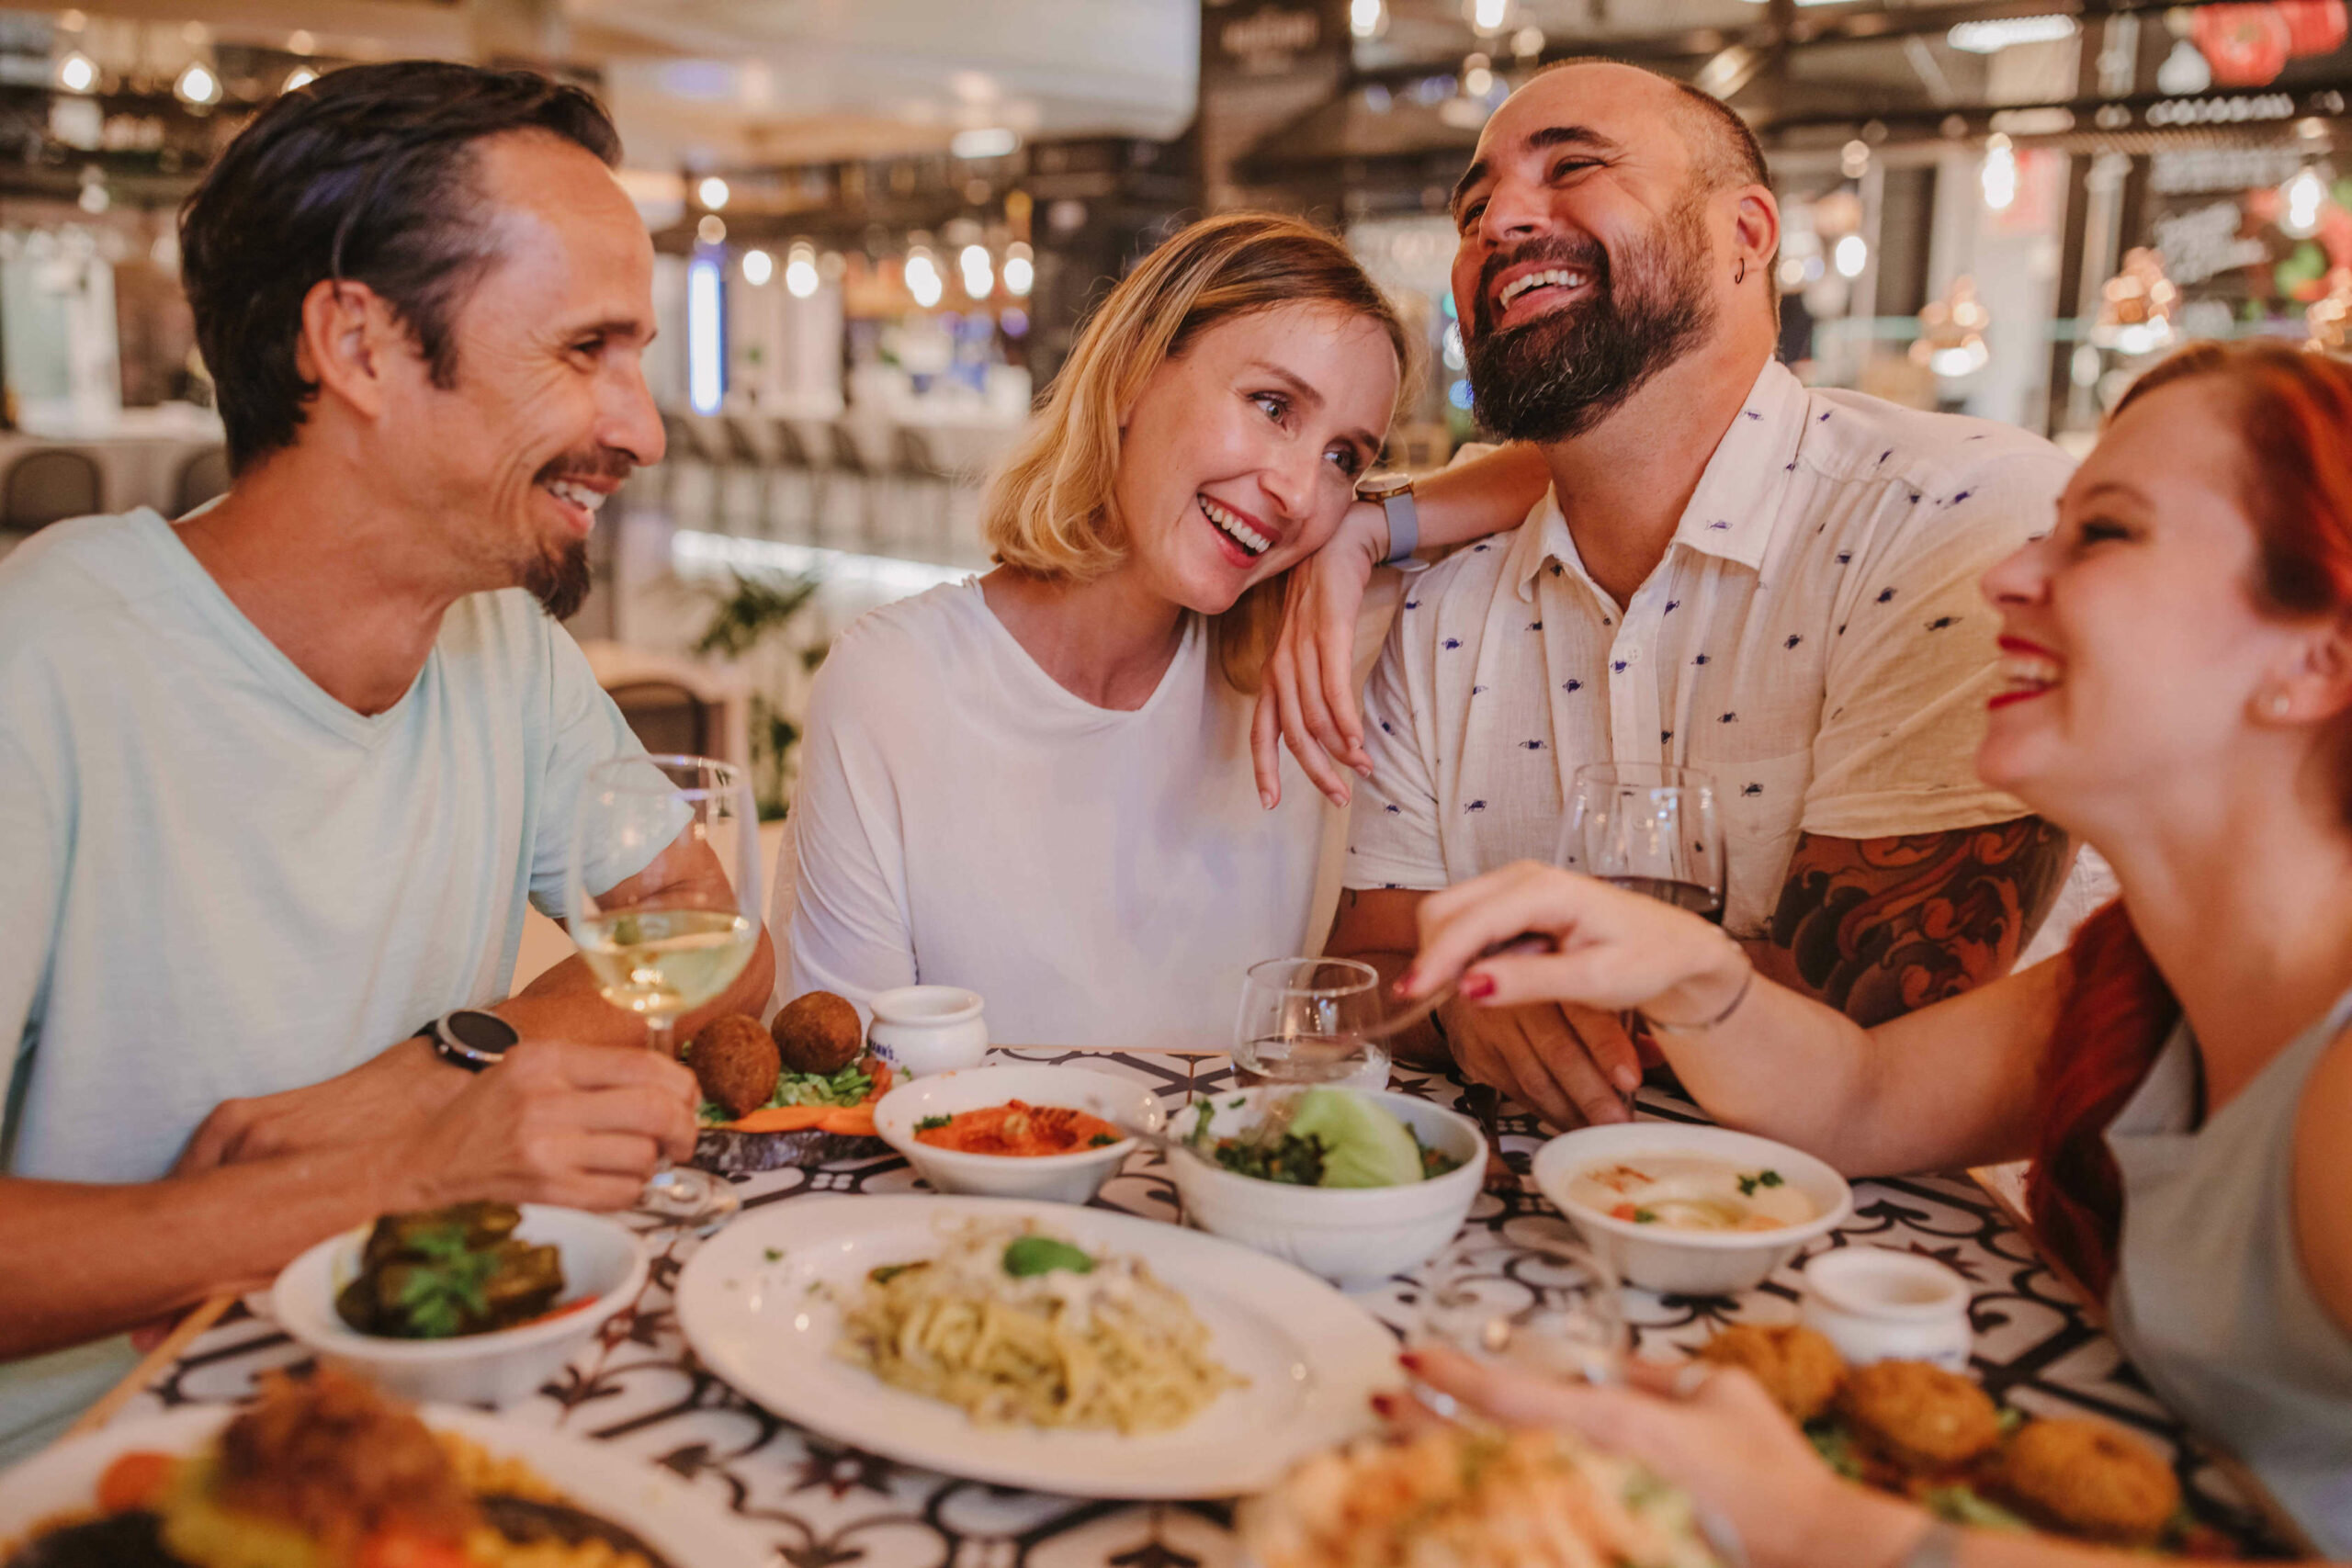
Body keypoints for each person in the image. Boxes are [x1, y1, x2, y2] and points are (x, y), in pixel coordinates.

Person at [1399, 341, 2352, 1559]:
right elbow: (1863, 1097)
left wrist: (1818, 1522)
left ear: (2315, 658)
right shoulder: (2151, 979)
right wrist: (1696, 979)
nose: (2012, 573)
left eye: (2103, 534)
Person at [0, 62, 773, 1457]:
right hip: (102, 1467)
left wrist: (435, 1068)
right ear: (357, 344)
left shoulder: (505, 649)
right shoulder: (39, 664)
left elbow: (712, 937)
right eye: (584, 348)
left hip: (421, 1403)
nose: (643, 427)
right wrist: (397, 1171)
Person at [1268, 60, 2078, 1129]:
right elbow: (1368, 960)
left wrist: (1500, 985)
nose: (1500, 220)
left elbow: (1883, 1018)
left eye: (1573, 167)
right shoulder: (1438, 605)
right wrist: (1466, 1010)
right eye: (1473, 210)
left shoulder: (1952, 520)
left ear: (1746, 235)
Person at [775, 214, 1405, 1048]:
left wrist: (1366, 533)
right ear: (1131, 377)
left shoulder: (1306, 651)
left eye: (1344, 459)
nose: (1299, 492)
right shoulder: (893, 683)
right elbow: (841, 1073)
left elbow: (1561, 474)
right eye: (1272, 405)